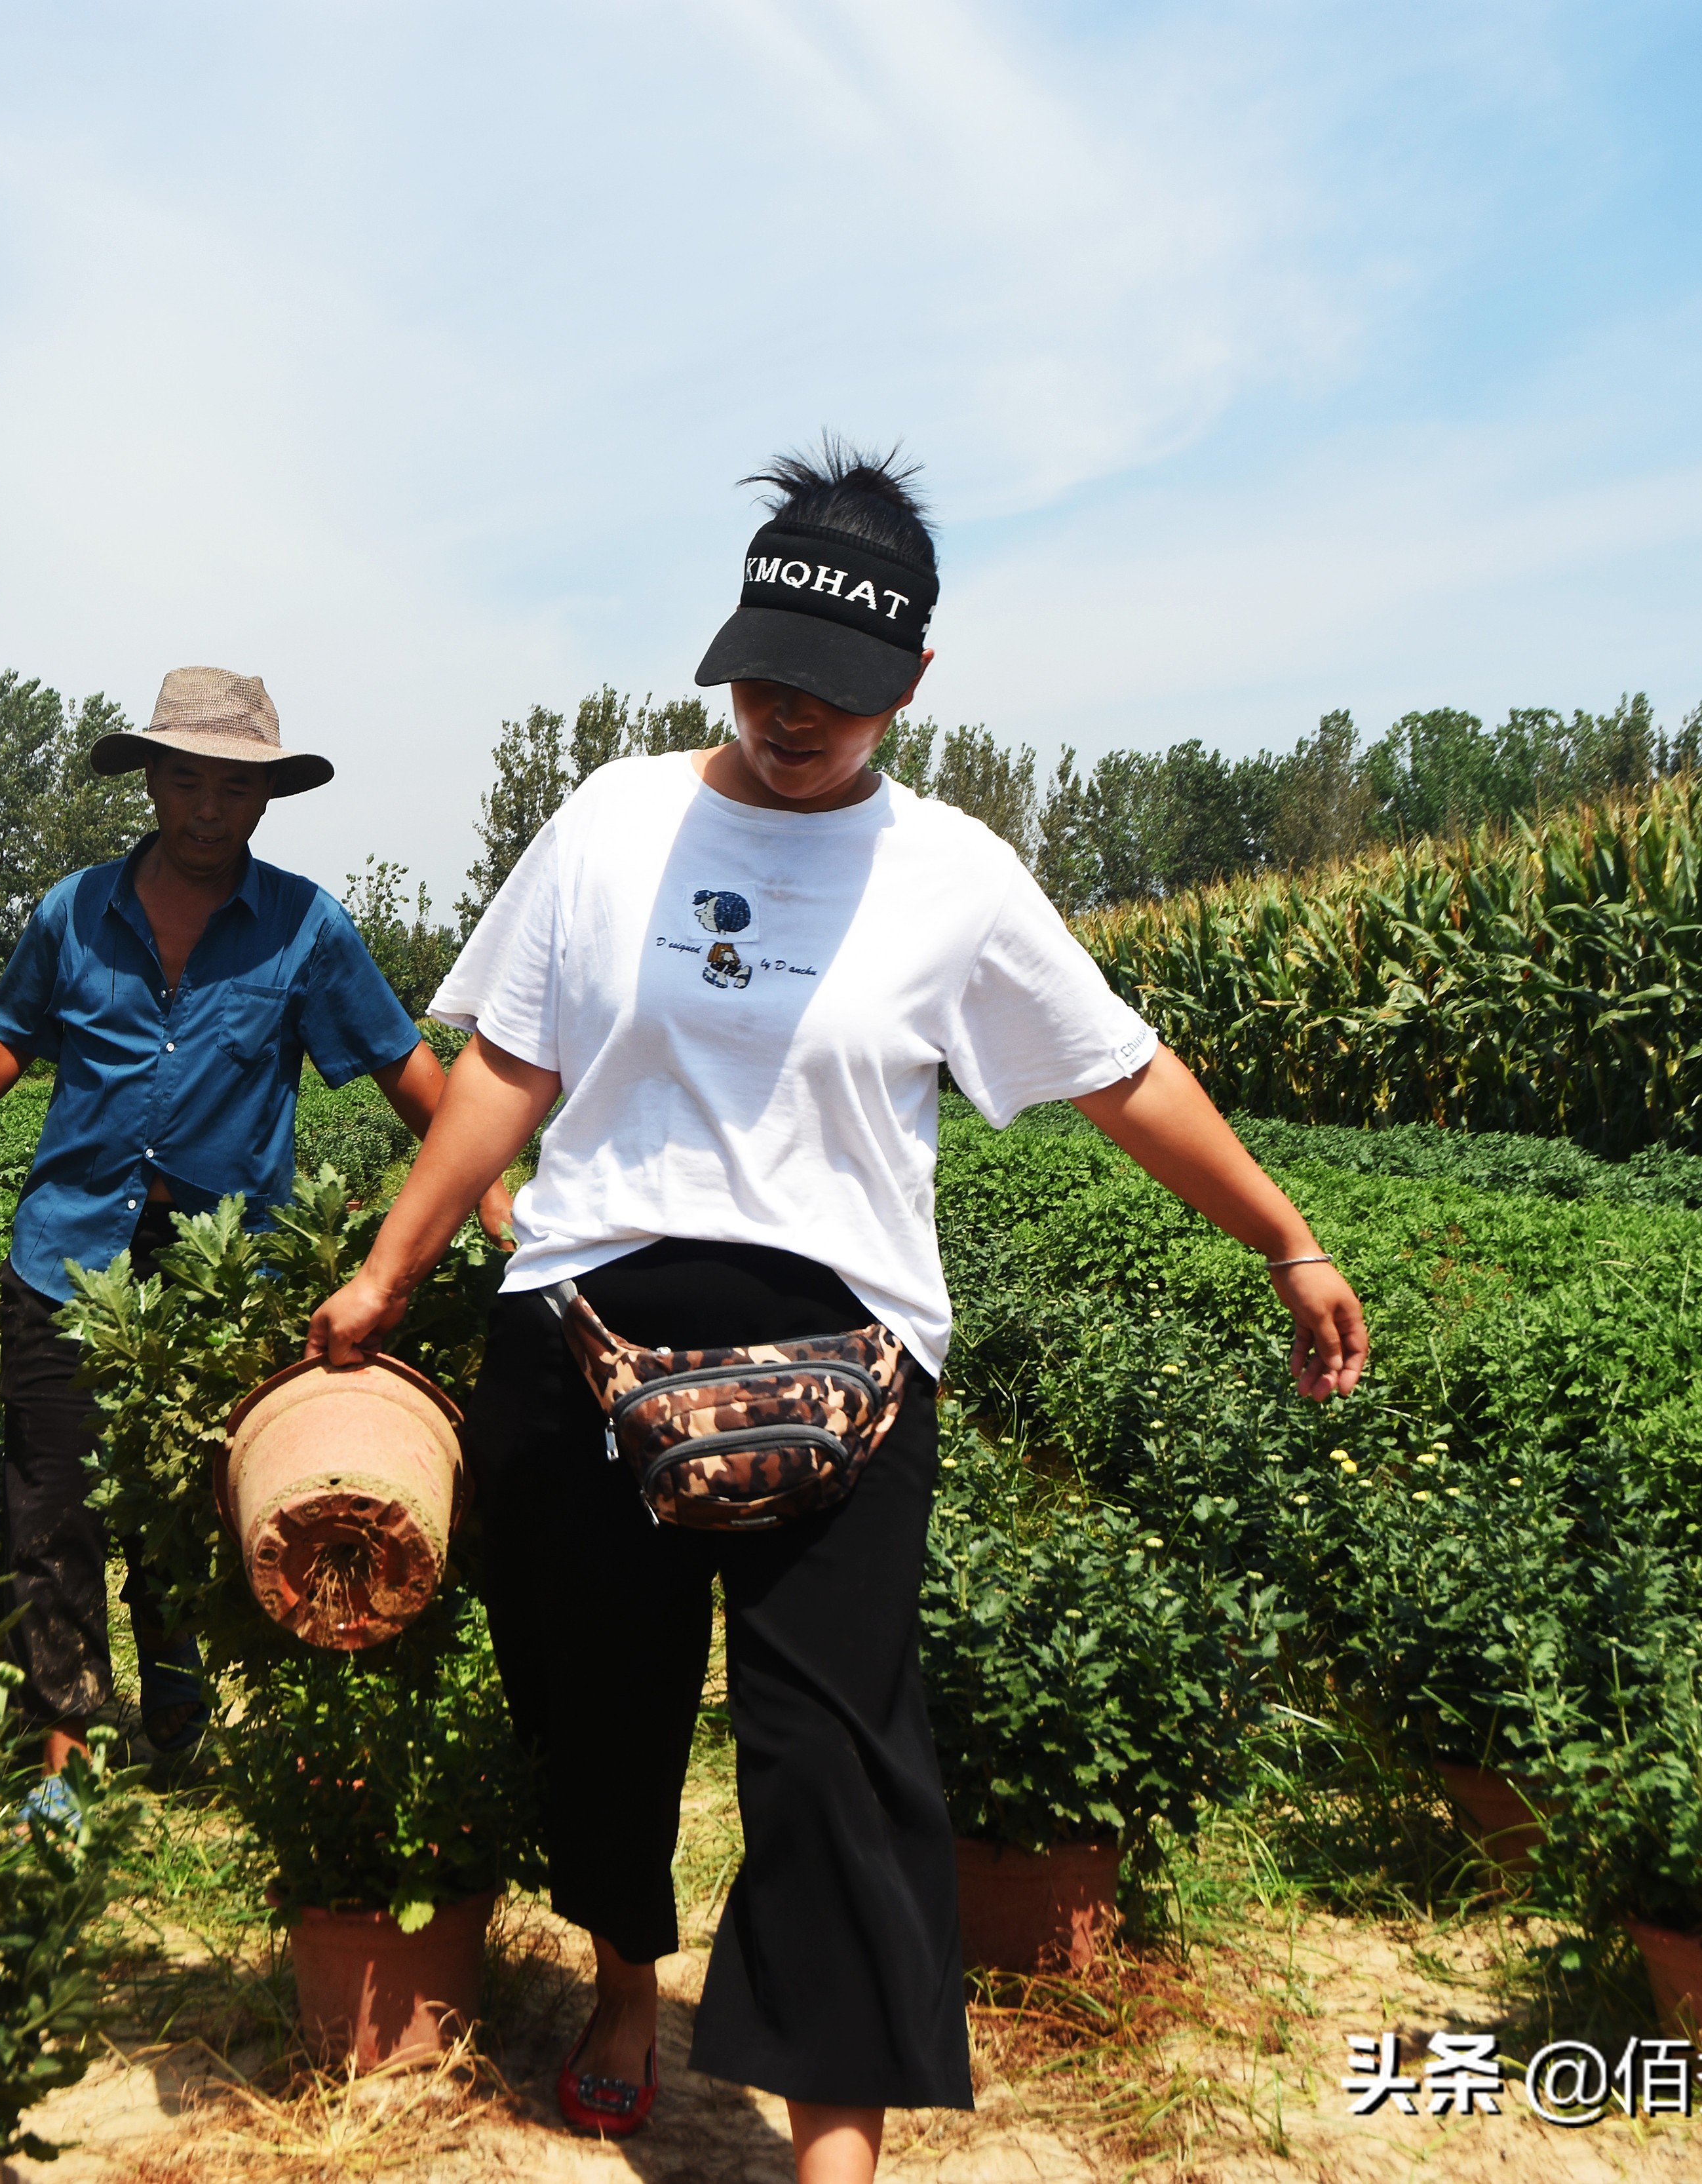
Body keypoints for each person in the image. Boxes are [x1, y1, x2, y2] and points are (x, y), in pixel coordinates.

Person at [307, 444, 1368, 2183]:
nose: (794, 712)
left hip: (849, 1373)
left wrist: (1288, 1236)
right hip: (583, 1339)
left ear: (917, 684)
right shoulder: (615, 820)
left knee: (834, 1751)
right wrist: (392, 1267)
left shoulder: (952, 873)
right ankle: (627, 1990)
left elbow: (1123, 1074)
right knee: (601, 1701)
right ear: (728, 644)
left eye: (841, 690)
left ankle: (837, 2142)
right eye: (768, 670)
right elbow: (509, 1059)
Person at [0, 665, 514, 1790]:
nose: (209, 807)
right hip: (67, 1254)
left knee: (189, 1490)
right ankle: (63, 1761)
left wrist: (489, 1189)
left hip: (220, 1271)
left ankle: (176, 1683)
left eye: (234, 786)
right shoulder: (75, 911)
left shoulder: (304, 930)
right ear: (153, 783)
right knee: (50, 1507)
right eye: (187, 779)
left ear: (266, 798)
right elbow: (7, 1035)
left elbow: (403, 1067)